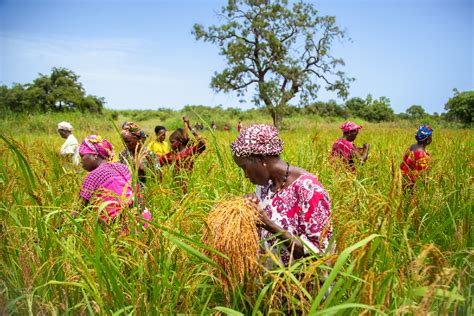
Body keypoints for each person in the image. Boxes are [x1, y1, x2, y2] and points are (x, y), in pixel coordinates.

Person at [231, 124, 333, 265]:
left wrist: (268, 224)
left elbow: (319, 253)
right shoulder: (265, 185)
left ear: (260, 159)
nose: (245, 176)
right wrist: (250, 206)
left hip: (300, 283)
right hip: (269, 280)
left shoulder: (309, 189)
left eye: (245, 168)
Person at [78, 135, 151, 224]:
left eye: (82, 156)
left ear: (94, 155)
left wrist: (58, 227)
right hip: (144, 218)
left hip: (121, 224)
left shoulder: (93, 176)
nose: (80, 161)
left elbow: (78, 212)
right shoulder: (123, 167)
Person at [159, 116, 206, 193]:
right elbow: (157, 163)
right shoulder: (171, 155)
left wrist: (190, 127)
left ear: (180, 142)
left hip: (189, 187)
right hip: (175, 188)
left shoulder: (190, 152)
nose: (170, 145)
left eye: (172, 142)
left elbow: (202, 142)